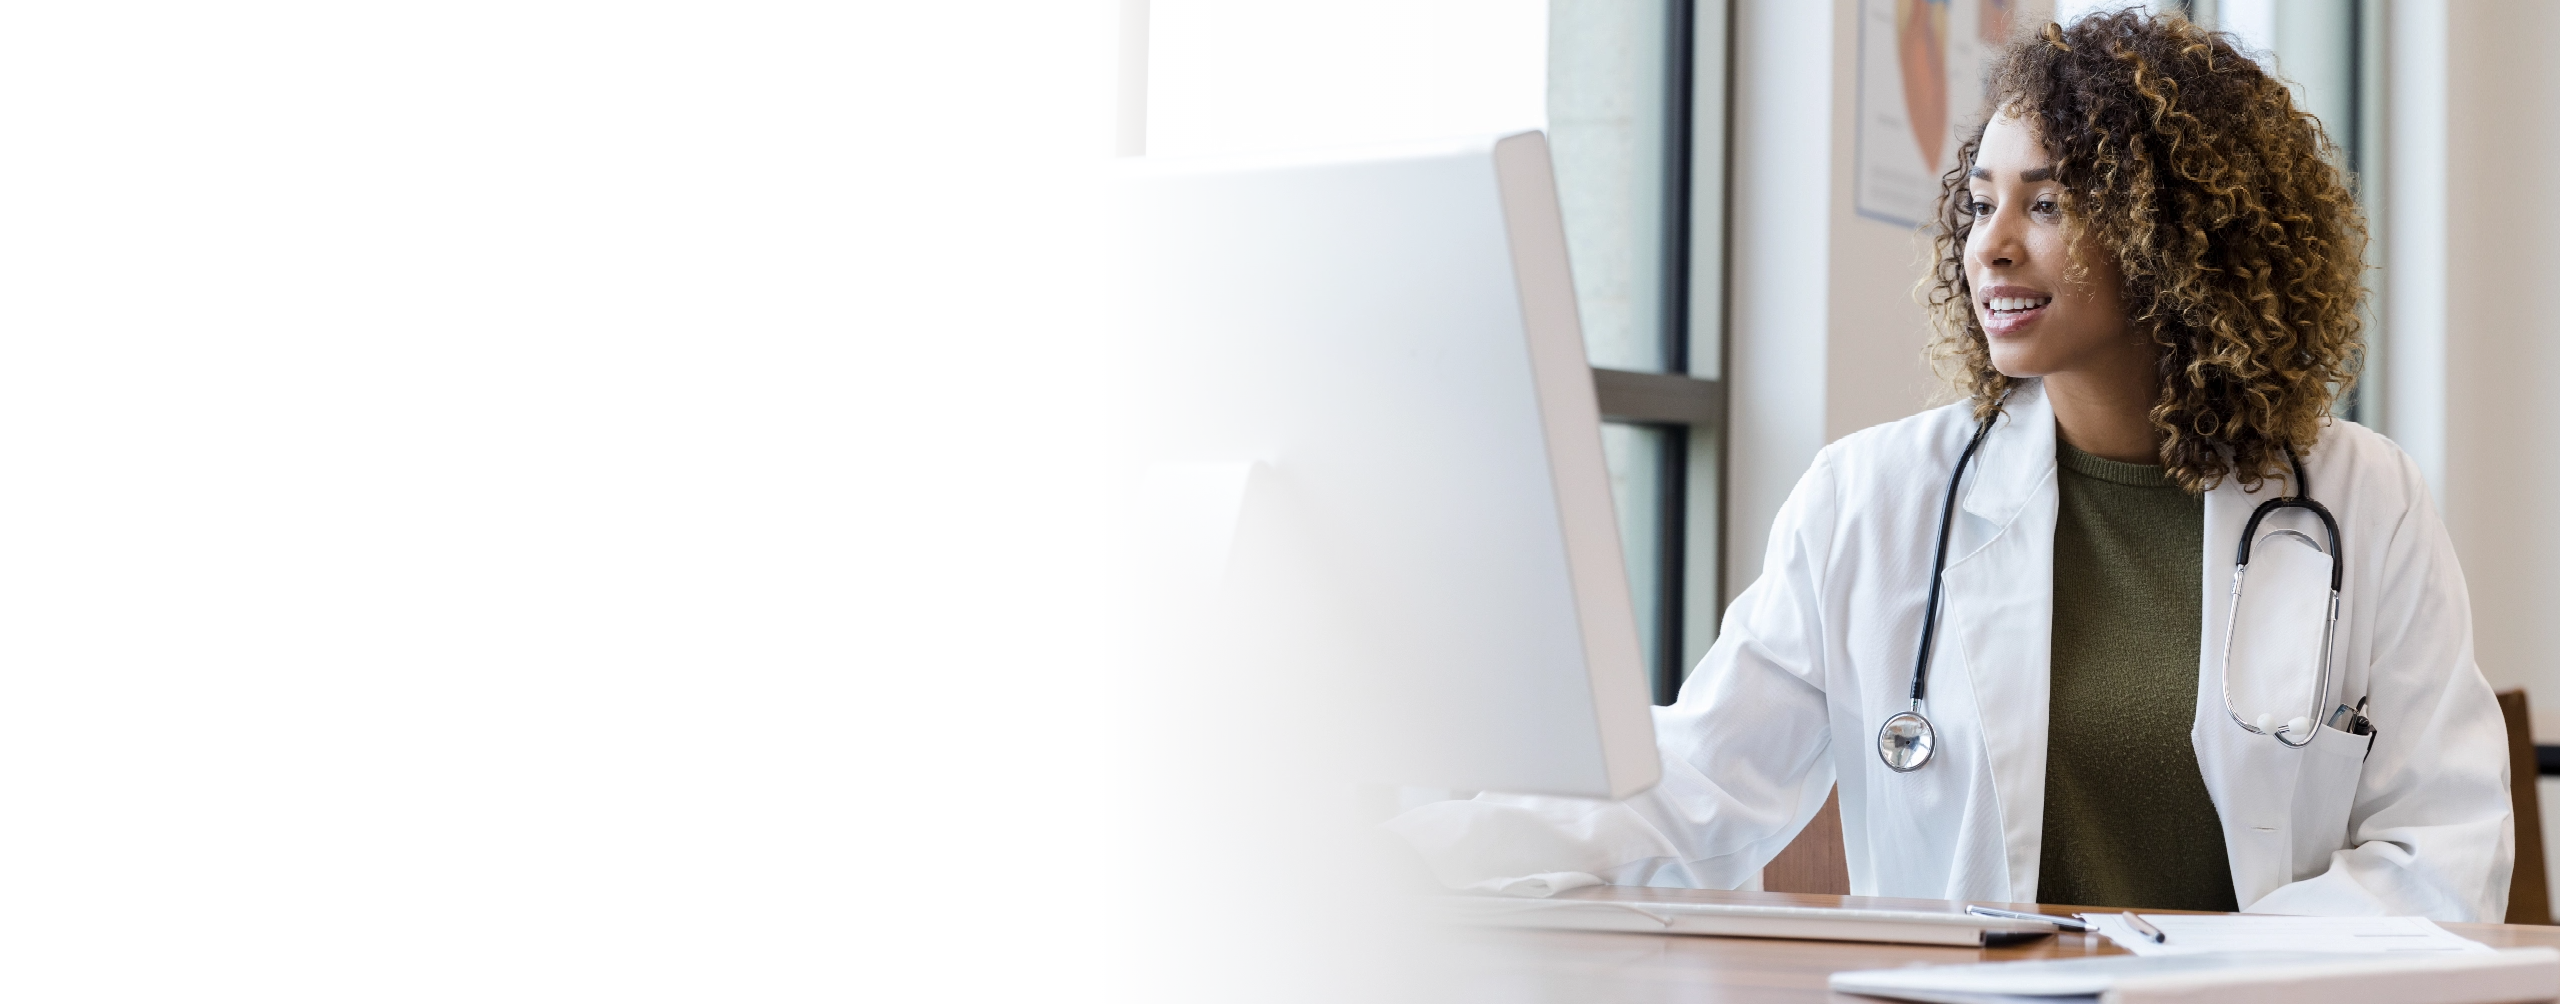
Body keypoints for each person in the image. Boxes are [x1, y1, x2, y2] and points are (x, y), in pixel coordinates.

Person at [1389, 11, 2513, 920]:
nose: (1990, 244)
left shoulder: (2363, 502)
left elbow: (2442, 850)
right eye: (1980, 202)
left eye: (2049, 203)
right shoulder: (1872, 498)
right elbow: (1691, 788)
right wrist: (1403, 843)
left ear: (2177, 237)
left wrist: (2189, 973)